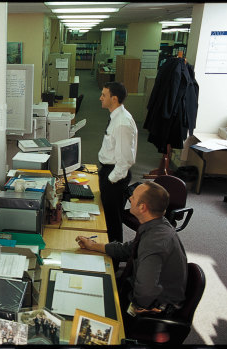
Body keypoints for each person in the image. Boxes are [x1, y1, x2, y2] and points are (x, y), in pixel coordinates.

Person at [75, 181, 187, 333]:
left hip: (153, 309)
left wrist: (118, 303)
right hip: (145, 289)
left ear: (142, 207)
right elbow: (129, 249)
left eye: (133, 197)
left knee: (88, 307)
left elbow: (145, 294)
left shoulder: (154, 243)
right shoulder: (157, 224)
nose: (129, 199)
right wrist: (93, 245)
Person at [98, 81, 138, 244]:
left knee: (113, 221)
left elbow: (125, 159)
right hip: (109, 172)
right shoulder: (116, 117)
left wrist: (110, 180)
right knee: (108, 218)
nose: (100, 98)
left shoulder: (122, 123)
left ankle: (114, 262)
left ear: (114, 99)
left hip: (115, 176)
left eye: (104, 95)